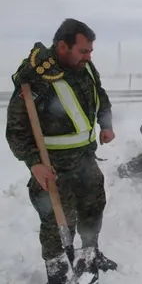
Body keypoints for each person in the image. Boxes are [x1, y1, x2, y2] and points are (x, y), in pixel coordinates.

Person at [5, 18, 117, 284]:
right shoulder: (36, 77)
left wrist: (106, 123)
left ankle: (89, 254)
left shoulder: (85, 66)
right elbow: (16, 130)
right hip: (53, 165)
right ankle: (58, 272)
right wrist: (34, 163)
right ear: (63, 46)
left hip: (86, 159)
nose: (89, 57)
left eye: (90, 51)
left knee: (93, 207)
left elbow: (100, 94)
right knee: (58, 222)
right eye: (84, 51)